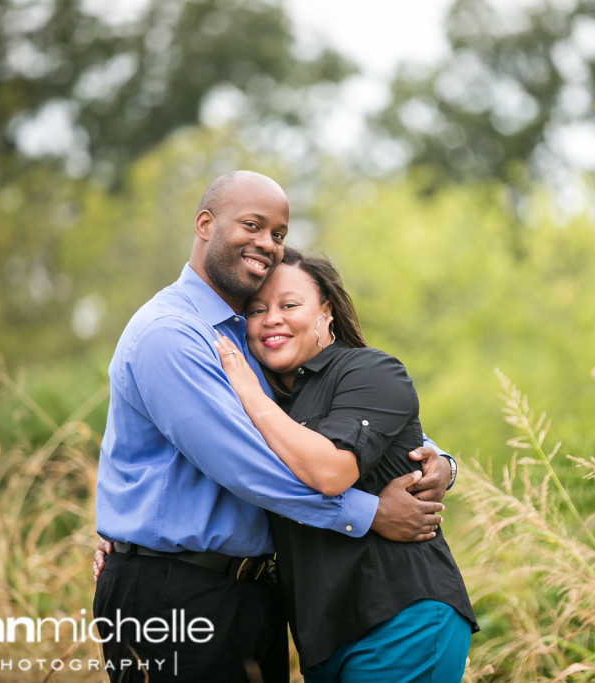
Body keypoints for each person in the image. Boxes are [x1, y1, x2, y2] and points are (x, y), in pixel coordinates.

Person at [92, 171, 455, 683]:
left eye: (278, 234)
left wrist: (437, 460)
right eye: (252, 225)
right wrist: (370, 512)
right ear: (205, 224)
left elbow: (322, 424)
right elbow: (249, 467)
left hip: (255, 593)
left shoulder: (249, 340)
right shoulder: (171, 336)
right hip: (175, 588)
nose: (266, 243)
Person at [213, 247, 477, 682]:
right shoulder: (277, 398)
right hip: (322, 636)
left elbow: (331, 472)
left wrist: (251, 395)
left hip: (399, 617)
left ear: (327, 311)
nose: (272, 318)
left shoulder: (370, 370)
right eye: (257, 310)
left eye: (289, 305)